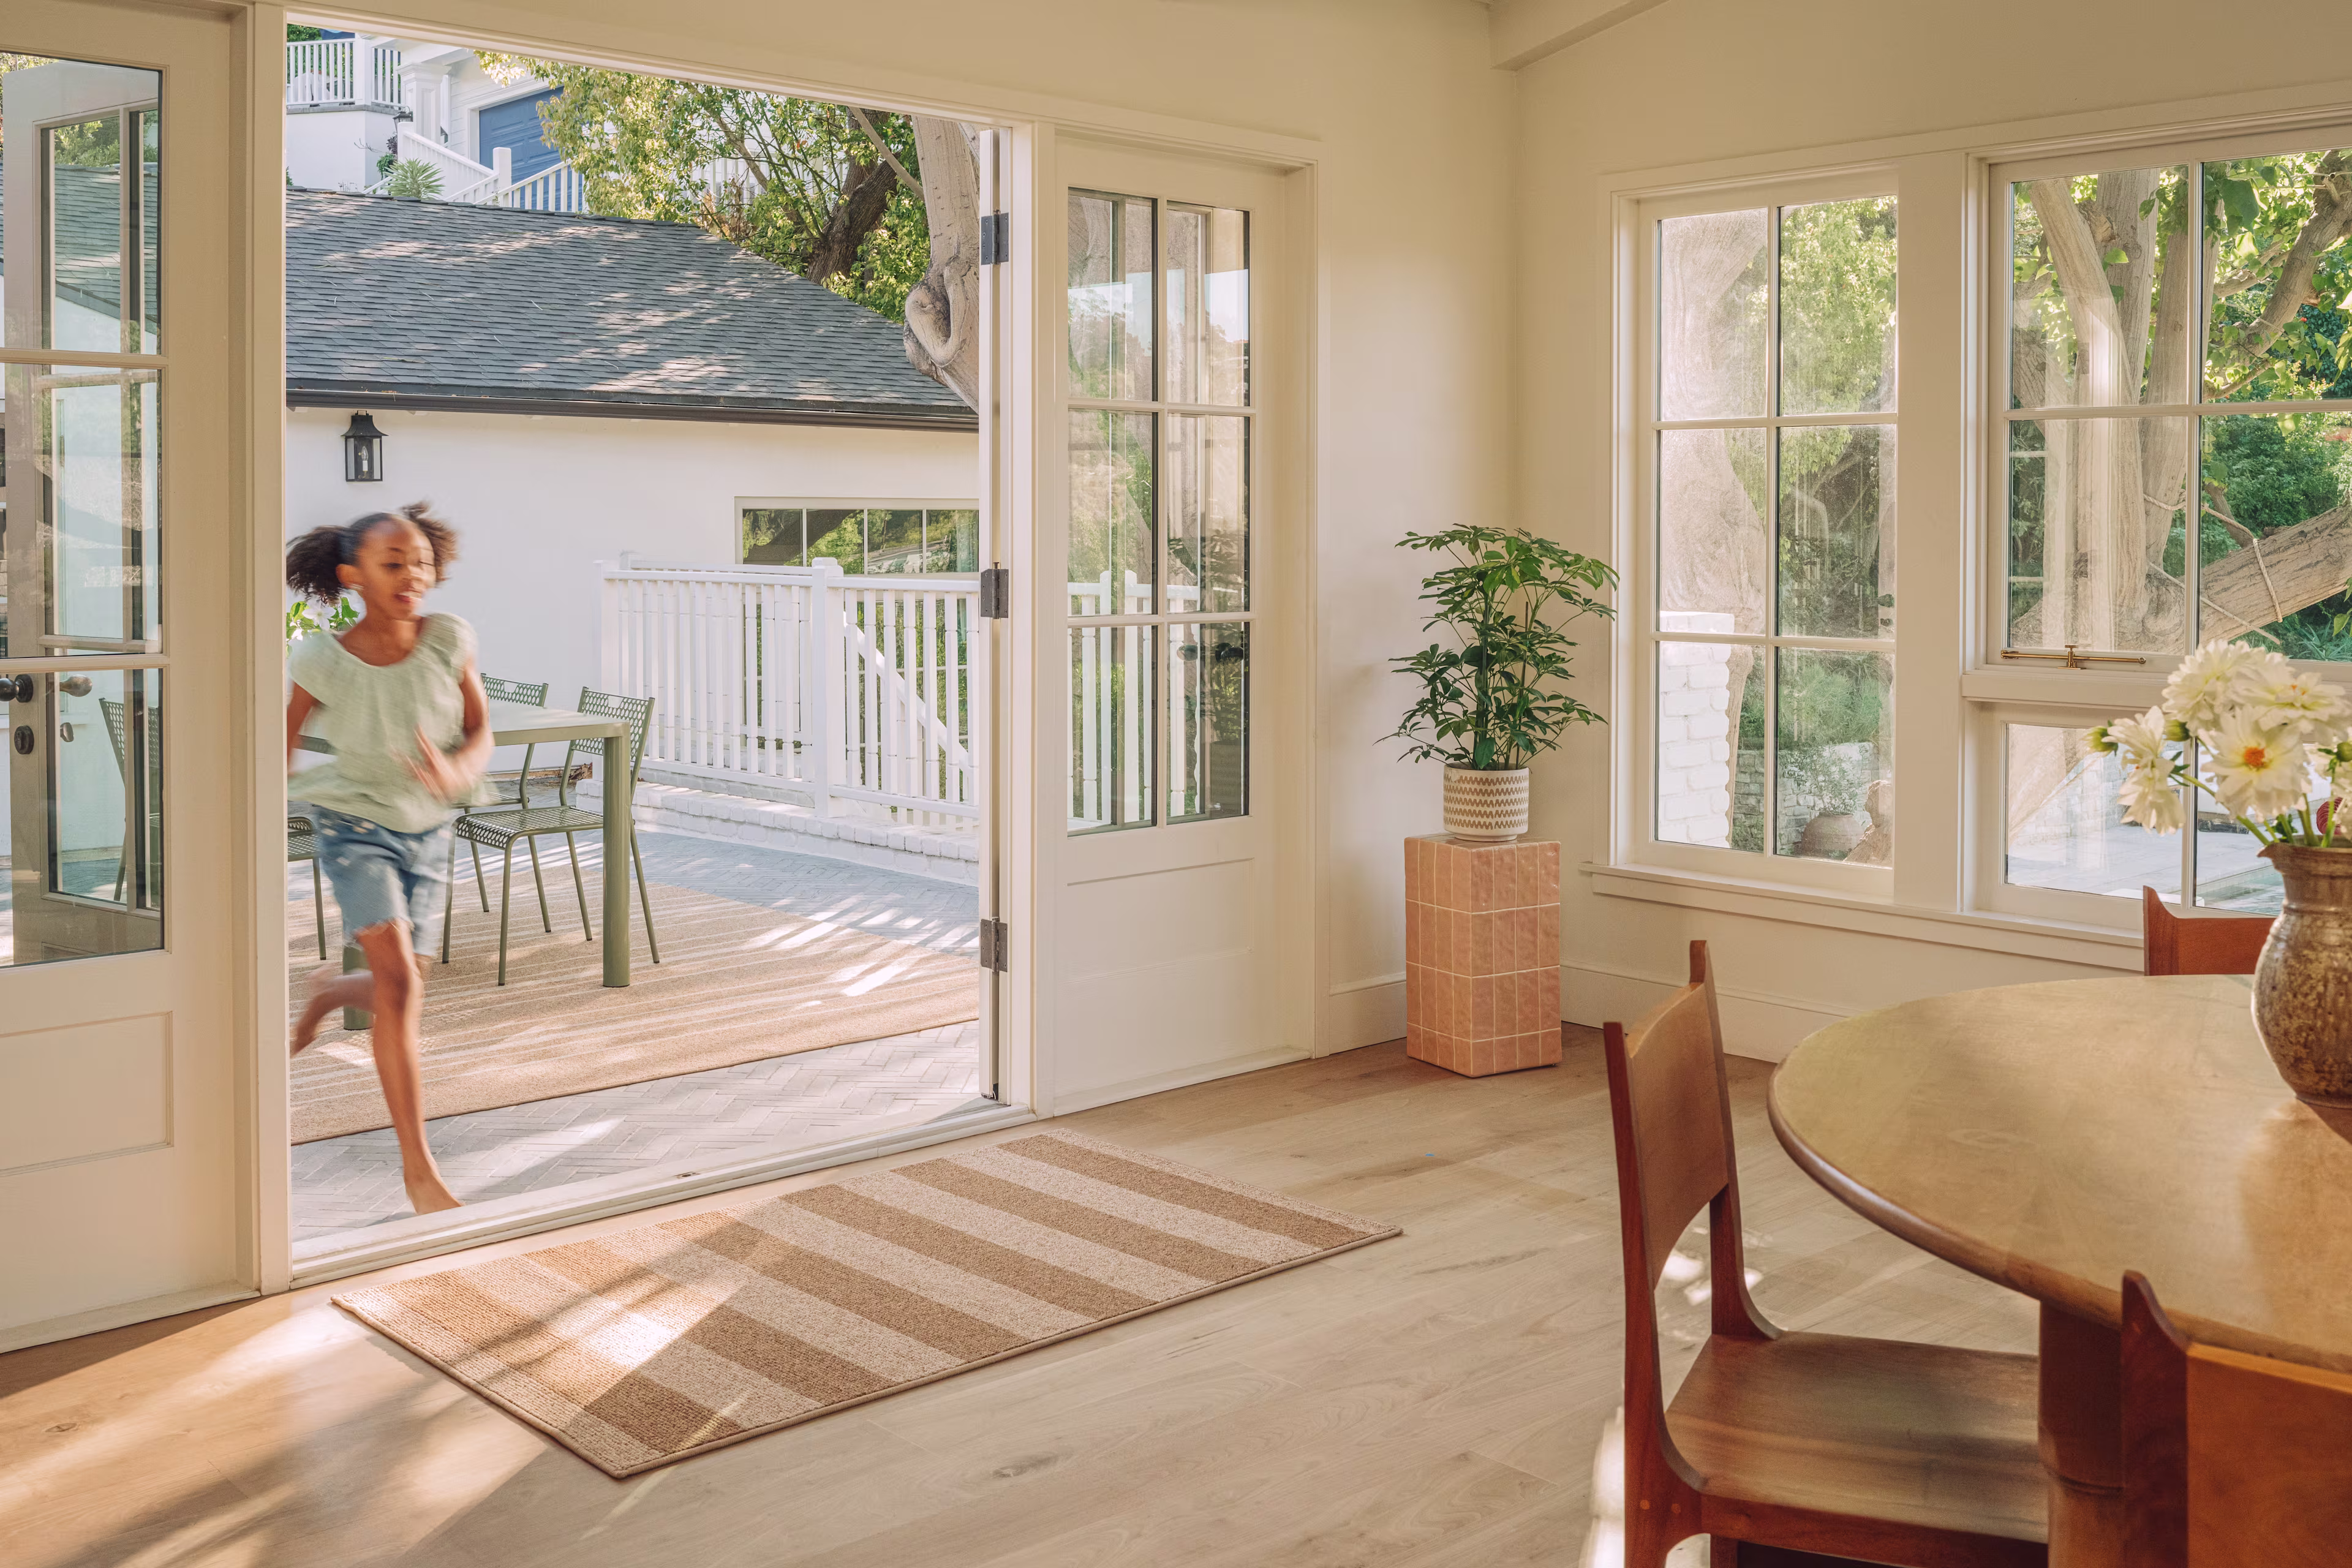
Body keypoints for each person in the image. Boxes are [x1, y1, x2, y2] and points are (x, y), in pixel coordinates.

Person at [284, 503, 494, 1216]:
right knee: (402, 982)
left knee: (400, 989)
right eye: (393, 563)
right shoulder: (321, 656)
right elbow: (279, 742)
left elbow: (480, 730)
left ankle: (328, 992)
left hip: (429, 827)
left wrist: (458, 770)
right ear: (353, 575)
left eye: (421, 563)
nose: (413, 576)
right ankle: (418, 1169)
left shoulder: (450, 640)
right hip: (353, 826)